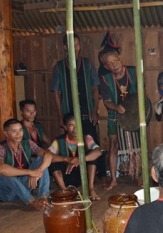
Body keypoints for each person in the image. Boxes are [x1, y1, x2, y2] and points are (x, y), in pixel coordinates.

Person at [50, 33, 107, 183]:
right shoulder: (59, 67)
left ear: (79, 46)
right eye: (71, 45)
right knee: (72, 145)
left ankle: (99, 177)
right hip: (69, 113)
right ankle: (74, 176)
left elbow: (95, 87)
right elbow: (56, 92)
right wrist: (59, 114)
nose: (74, 48)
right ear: (65, 47)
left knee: (92, 143)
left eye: (77, 44)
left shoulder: (88, 64)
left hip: (87, 112)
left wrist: (95, 109)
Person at [99, 49, 142, 190]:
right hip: (115, 114)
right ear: (106, 67)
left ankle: (135, 176)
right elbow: (106, 101)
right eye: (110, 63)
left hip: (133, 113)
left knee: (135, 146)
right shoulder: (106, 79)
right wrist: (116, 108)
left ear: (120, 58)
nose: (114, 64)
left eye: (115, 60)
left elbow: (142, 92)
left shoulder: (133, 72)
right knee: (113, 145)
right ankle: (113, 179)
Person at [0, 119, 54, 211]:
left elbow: (48, 155)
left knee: (42, 159)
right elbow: (0, 168)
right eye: (14, 131)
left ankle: (43, 198)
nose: (19, 134)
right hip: (8, 193)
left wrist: (38, 171)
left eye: (20, 130)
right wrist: (30, 172)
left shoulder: (27, 143)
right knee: (4, 172)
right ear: (6, 133)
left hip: (24, 185)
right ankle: (32, 202)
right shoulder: (0, 148)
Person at [48, 113, 102, 200]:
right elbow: (48, 155)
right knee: (52, 161)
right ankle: (64, 191)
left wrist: (79, 160)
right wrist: (67, 159)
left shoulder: (86, 138)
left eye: (77, 125)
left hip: (82, 175)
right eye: (71, 125)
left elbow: (98, 152)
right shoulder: (59, 140)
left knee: (92, 156)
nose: (75, 128)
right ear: (65, 127)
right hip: (66, 175)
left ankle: (91, 189)